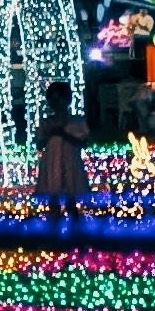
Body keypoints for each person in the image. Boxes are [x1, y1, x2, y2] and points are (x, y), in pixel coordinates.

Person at [35, 84, 90, 231]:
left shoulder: (76, 121)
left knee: (70, 196)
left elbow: (83, 142)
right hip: (52, 161)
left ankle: (75, 228)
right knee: (53, 195)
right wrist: (49, 134)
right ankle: (54, 228)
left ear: (67, 100)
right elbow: (39, 145)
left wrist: (64, 134)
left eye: (59, 99)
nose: (56, 103)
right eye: (52, 100)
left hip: (70, 160)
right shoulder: (46, 122)